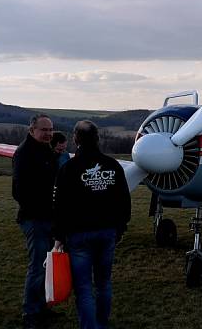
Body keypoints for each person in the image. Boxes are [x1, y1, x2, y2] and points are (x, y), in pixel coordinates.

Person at [52, 120, 131, 329]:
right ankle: (101, 324)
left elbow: (59, 206)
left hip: (79, 236)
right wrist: (120, 228)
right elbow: (124, 200)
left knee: (84, 287)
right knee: (104, 283)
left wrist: (59, 236)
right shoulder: (113, 166)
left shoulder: (69, 168)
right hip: (107, 233)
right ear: (97, 139)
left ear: (75, 139)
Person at [12, 114, 59, 328]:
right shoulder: (24, 153)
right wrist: (42, 209)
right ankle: (30, 313)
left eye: (50, 129)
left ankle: (41, 308)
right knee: (38, 267)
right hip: (36, 219)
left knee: (47, 266)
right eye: (44, 130)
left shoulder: (46, 151)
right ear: (32, 130)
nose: (48, 133)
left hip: (49, 218)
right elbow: (19, 191)